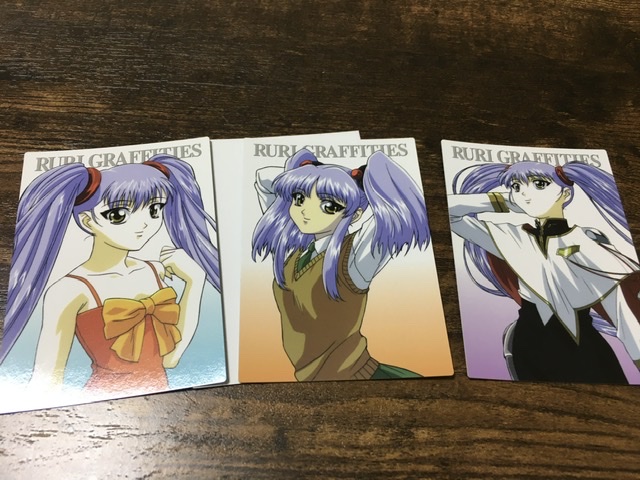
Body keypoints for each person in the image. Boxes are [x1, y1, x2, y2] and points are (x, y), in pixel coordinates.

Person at [1, 154, 220, 393]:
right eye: (119, 215)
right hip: (103, 400)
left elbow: (170, 359)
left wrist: (195, 282)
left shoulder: (154, 270)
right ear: (87, 221)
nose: (144, 224)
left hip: (160, 397)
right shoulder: (69, 290)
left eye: (154, 209)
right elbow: (47, 381)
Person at [449, 161, 640, 383]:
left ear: (565, 194)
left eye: (539, 184)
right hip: (527, 345)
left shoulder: (587, 241)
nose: (524, 194)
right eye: (517, 186)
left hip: (581, 350)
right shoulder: (511, 236)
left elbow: (621, 311)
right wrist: (501, 202)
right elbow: (451, 214)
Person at [251, 148, 430, 381]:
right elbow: (263, 178)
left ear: (354, 215)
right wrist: (313, 174)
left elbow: (396, 210)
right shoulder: (293, 250)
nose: (305, 211)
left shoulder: (354, 258)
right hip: (310, 381)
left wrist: (357, 180)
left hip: (357, 377)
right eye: (299, 199)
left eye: (328, 206)